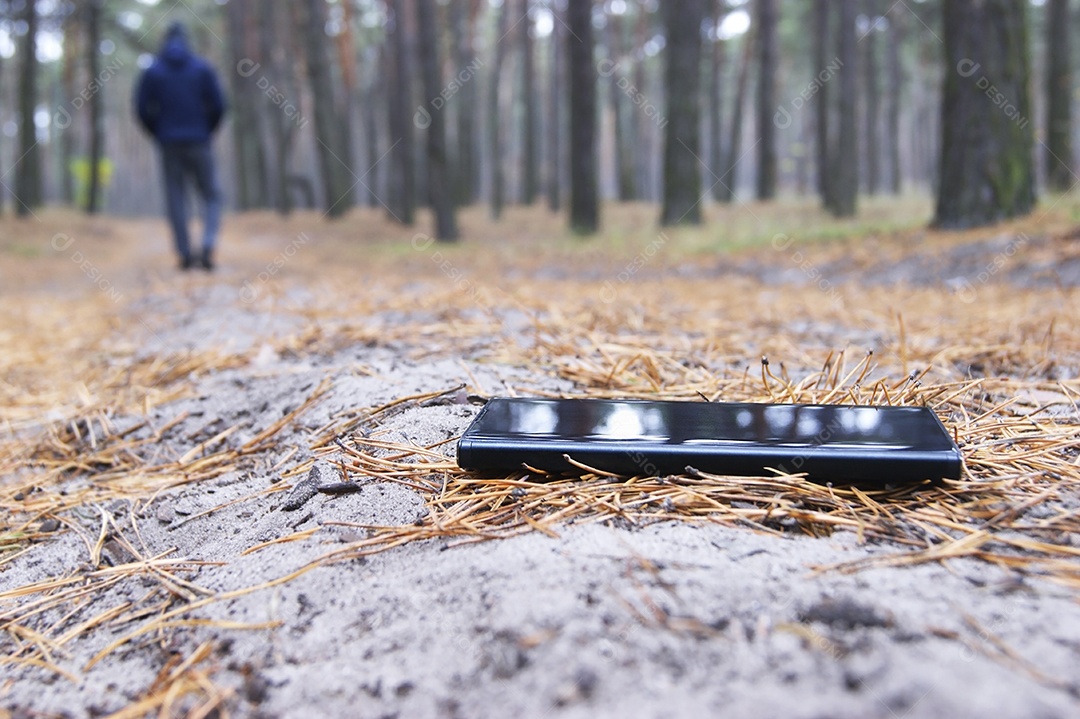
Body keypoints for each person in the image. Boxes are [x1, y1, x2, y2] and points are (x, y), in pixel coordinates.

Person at [135, 22, 226, 271]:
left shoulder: (153, 71)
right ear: (187, 40)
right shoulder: (202, 68)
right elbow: (219, 105)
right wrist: (207, 130)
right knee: (211, 194)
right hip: (199, 140)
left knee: (176, 197)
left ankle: (185, 253)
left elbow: (142, 109)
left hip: (169, 142)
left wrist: (158, 132)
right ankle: (208, 244)